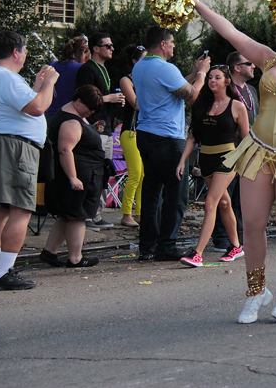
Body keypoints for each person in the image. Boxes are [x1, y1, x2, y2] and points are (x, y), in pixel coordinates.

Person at [195, 0, 276, 324]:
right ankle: (255, 291)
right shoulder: (269, 59)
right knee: (252, 224)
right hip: (259, 149)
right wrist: (196, 3)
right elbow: (231, 33)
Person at [0, 31, 58, 290]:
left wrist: (36, 86)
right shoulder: (7, 77)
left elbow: (22, 105)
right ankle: (4, 273)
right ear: (15, 52)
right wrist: (49, 83)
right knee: (21, 210)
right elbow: (37, 107)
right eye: (24, 50)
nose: (24, 55)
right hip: (14, 148)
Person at [132, 26, 210, 262]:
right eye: (172, 42)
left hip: (146, 133)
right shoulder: (165, 68)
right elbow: (192, 96)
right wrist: (202, 74)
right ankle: (167, 245)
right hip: (167, 137)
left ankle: (147, 246)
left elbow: (172, 89)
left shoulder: (141, 66)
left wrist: (192, 73)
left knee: (152, 191)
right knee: (176, 193)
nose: (174, 46)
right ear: (163, 44)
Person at [176, 66, 249, 267]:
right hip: (206, 159)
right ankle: (236, 246)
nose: (212, 81)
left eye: (217, 77)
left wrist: (245, 162)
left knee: (211, 203)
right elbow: (192, 137)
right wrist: (182, 161)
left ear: (227, 81)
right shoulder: (202, 105)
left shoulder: (237, 106)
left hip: (227, 159)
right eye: (210, 77)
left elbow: (246, 138)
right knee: (224, 203)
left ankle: (197, 253)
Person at [40, 86, 105, 268]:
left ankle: (50, 251)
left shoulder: (72, 115)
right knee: (77, 216)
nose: (91, 113)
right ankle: (75, 258)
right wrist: (73, 177)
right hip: (77, 175)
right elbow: (65, 149)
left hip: (82, 172)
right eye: (89, 109)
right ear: (78, 102)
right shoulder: (71, 121)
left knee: (67, 215)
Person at [75, 33, 125, 231]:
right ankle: (85, 214)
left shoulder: (103, 69)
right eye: (107, 46)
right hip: (92, 127)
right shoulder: (87, 69)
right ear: (95, 48)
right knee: (92, 171)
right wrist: (107, 98)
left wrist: (115, 100)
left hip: (106, 127)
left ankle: (96, 213)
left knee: (103, 171)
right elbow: (81, 99)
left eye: (112, 45)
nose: (112, 48)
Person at [210, 50, 260, 251]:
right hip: (228, 149)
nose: (253, 66)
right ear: (237, 68)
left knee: (242, 196)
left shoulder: (252, 90)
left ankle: (237, 235)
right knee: (224, 196)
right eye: (249, 63)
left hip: (248, 150)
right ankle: (221, 237)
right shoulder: (226, 88)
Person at [118, 45, 147, 228]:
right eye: (144, 59)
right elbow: (136, 103)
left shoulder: (146, 81)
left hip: (142, 132)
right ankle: (126, 213)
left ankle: (140, 213)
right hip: (130, 131)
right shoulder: (126, 80)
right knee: (135, 173)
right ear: (135, 62)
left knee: (144, 174)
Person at [45, 36, 89, 123]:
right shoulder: (81, 68)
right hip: (69, 116)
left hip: (51, 115)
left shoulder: (53, 65)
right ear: (84, 52)